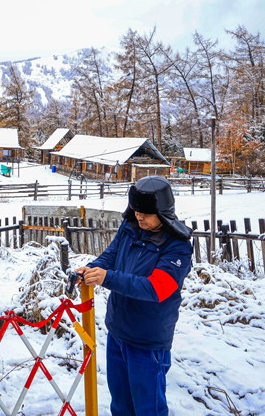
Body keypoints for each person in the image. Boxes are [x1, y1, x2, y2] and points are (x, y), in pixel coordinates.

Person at [75, 175, 192, 416]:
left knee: (148, 409)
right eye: (136, 210)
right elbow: (111, 256)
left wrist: (107, 277)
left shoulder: (178, 246)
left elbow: (155, 288)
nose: (139, 217)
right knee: (120, 405)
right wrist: (91, 269)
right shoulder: (130, 226)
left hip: (148, 341)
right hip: (118, 332)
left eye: (146, 213)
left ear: (163, 212)